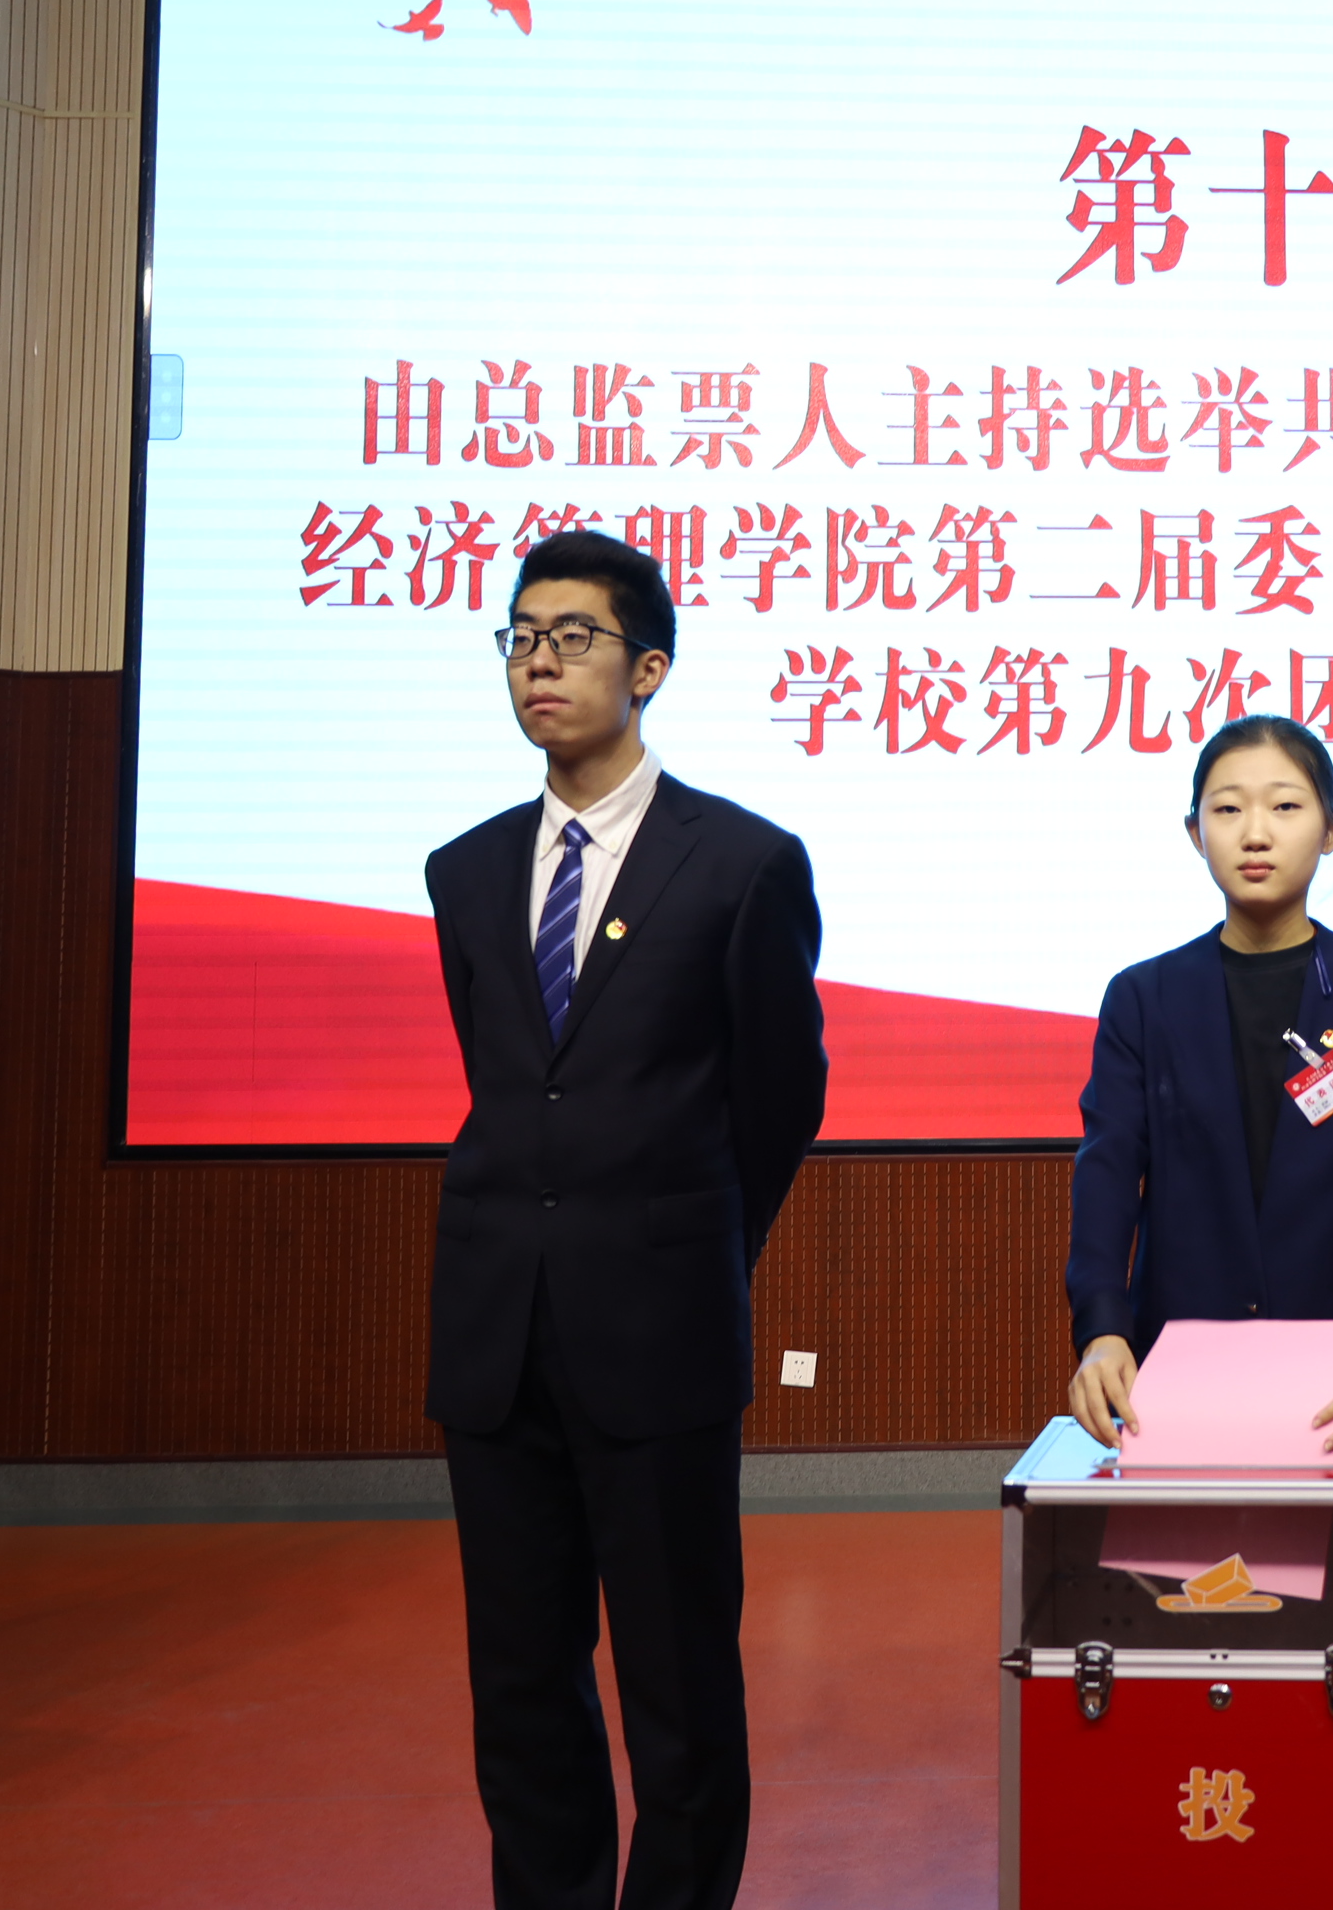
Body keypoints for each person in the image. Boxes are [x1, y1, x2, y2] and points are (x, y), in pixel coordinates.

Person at [423, 529, 825, 1910]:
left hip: (657, 1333)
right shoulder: (465, 871)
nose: (540, 660)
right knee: (520, 1680)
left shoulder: (741, 864)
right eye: (521, 636)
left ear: (648, 668)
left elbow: (780, 1099)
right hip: (496, 1331)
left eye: (575, 636)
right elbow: (511, 1085)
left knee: (677, 1681)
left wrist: (692, 1247)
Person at [1066, 715, 1333, 1462]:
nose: (1254, 833)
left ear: (1332, 829)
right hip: (1178, 1377)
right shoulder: (1143, 998)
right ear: (1194, 832)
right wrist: (1103, 1328)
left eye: (1285, 805)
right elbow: (1107, 1172)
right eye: (1227, 808)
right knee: (1183, 1548)